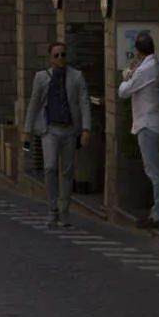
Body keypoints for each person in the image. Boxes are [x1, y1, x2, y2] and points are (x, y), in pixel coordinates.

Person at [24, 41, 93, 228]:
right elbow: (34, 104)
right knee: (50, 166)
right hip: (50, 130)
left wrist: (86, 129)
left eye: (63, 55)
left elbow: (84, 102)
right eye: (56, 55)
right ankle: (52, 208)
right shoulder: (41, 78)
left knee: (67, 171)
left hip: (69, 130)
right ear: (50, 58)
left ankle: (64, 209)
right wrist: (27, 131)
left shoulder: (76, 77)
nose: (60, 58)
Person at [118, 31, 159, 230]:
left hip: (147, 124)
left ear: (137, 51)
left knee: (153, 171)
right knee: (155, 170)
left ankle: (158, 214)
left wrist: (128, 74)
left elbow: (123, 91)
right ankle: (158, 211)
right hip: (152, 122)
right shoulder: (150, 65)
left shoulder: (146, 68)